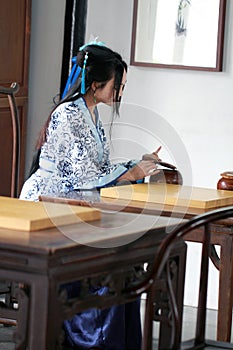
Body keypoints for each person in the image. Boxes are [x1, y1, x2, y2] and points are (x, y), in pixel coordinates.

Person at [20, 42, 161, 349]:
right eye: (117, 86)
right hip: (48, 203)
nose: (120, 93)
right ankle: (91, 337)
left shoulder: (92, 114)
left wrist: (135, 164)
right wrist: (131, 173)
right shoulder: (67, 114)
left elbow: (96, 168)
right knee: (108, 259)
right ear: (96, 85)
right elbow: (78, 175)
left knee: (123, 261)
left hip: (74, 201)